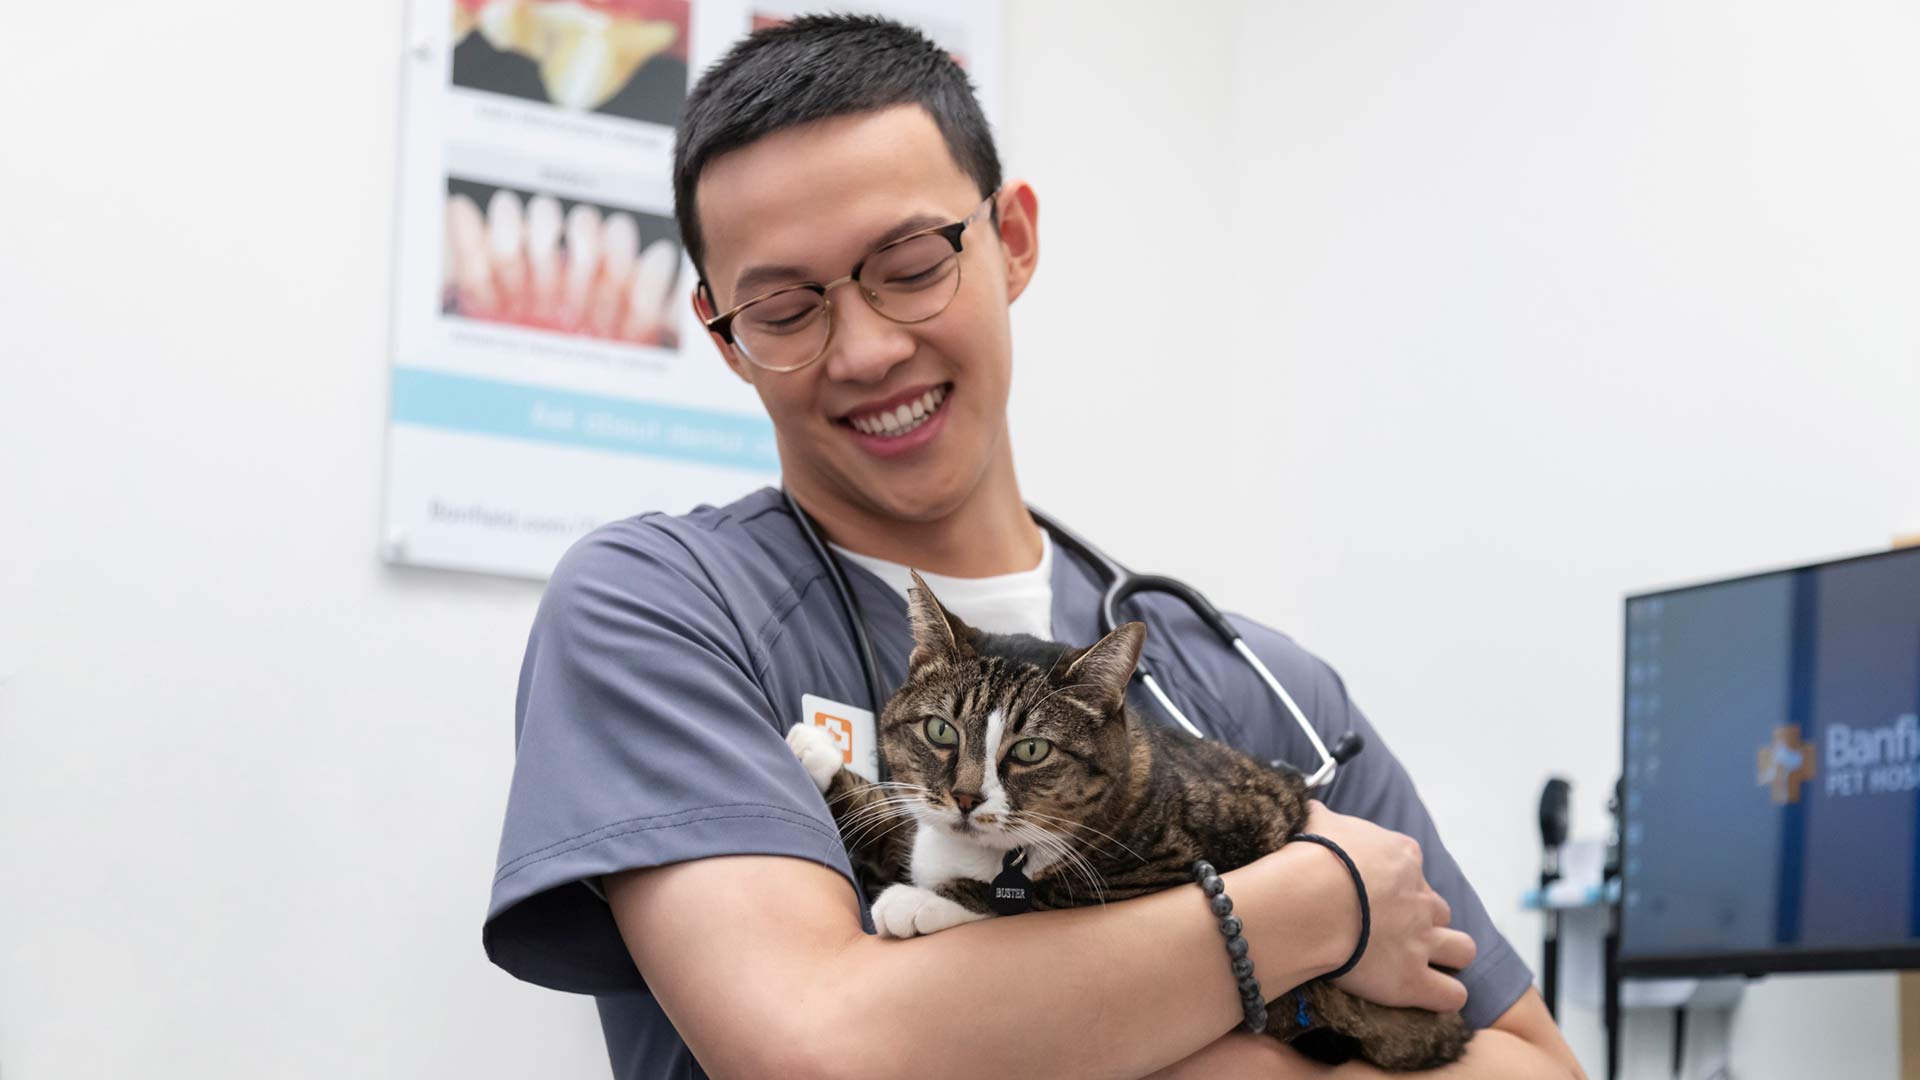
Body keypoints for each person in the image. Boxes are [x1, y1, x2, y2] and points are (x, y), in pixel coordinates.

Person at [484, 14, 1585, 1079]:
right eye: (783, 310)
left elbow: (1534, 1065)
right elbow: (820, 1049)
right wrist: (1309, 907)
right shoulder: (663, 611)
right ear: (726, 338)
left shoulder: (1260, 690)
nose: (866, 350)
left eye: (911, 265)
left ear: (1011, 242)